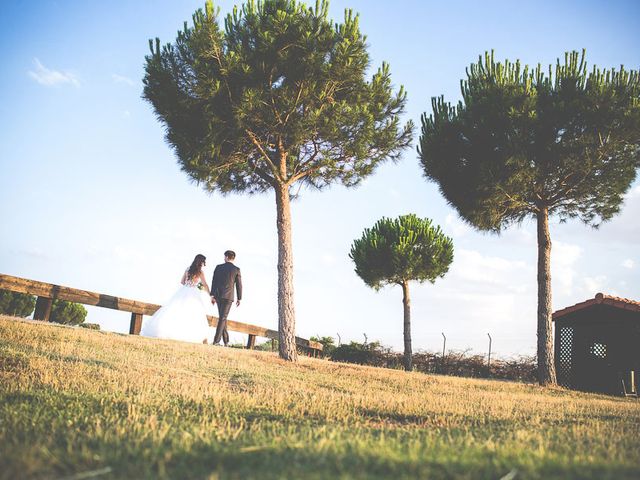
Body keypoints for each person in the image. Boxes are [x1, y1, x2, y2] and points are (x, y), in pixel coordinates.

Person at [140, 254, 214, 344]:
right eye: (203, 262)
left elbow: (182, 282)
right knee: (193, 314)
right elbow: (205, 284)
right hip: (193, 294)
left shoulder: (188, 269)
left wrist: (190, 284)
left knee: (176, 310)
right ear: (201, 262)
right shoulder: (200, 272)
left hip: (183, 291)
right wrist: (209, 294)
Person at [210, 250, 242, 346]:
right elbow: (239, 285)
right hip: (229, 297)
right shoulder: (236, 269)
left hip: (218, 295)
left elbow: (214, 281)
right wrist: (239, 298)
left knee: (222, 318)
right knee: (223, 318)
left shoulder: (218, 267)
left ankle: (225, 341)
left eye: (224, 257)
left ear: (227, 257)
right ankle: (217, 341)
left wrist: (212, 295)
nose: (224, 258)